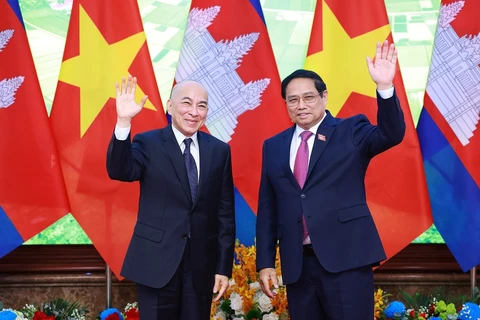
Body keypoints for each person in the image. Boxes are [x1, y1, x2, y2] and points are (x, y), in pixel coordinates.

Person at [255, 40, 406, 320]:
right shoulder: (273, 145)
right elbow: (268, 208)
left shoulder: (350, 130)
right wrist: (265, 263)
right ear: (286, 104)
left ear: (324, 97)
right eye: (293, 99)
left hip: (346, 260)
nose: (301, 105)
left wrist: (385, 87)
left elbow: (392, 134)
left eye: (309, 97)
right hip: (297, 265)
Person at [107, 77, 236, 320]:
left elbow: (225, 213)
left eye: (202, 106)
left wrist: (223, 268)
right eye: (187, 103)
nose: (194, 112)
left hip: (201, 266)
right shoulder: (149, 142)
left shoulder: (219, 150)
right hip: (156, 261)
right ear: (170, 106)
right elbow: (120, 171)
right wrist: (123, 121)